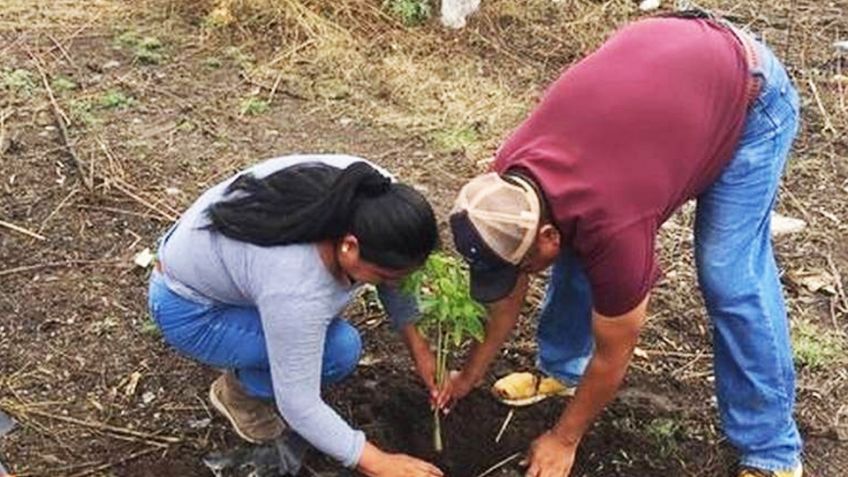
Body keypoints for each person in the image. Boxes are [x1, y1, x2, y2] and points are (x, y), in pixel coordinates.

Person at [439, 12, 802, 477]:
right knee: (574, 244)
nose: (520, 277)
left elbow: (616, 351)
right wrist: (470, 372)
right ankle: (563, 370)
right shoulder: (510, 185)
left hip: (749, 92)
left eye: (523, 265)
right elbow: (510, 288)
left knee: (729, 276)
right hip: (669, 77)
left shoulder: (615, 226)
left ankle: (773, 452)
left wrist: (563, 439)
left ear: (545, 234)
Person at [148, 154, 443, 477]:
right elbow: (299, 404)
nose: (392, 283)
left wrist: (421, 351)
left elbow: (395, 268)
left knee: (324, 338)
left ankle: (250, 357)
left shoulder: (374, 195)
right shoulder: (295, 285)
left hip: (230, 275)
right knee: (337, 352)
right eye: (384, 275)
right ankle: (239, 395)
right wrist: (377, 462)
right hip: (191, 309)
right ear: (350, 246)